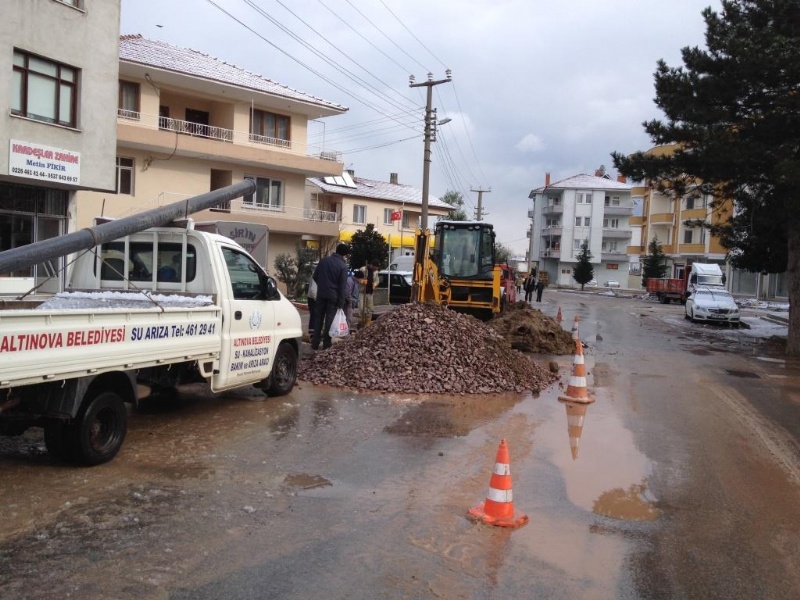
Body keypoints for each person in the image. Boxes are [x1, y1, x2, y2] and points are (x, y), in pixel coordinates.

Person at [311, 243, 350, 350]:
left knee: (318, 318)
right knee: (329, 320)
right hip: (334, 296)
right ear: (345, 255)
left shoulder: (324, 261)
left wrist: (323, 286)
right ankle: (326, 344)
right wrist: (341, 302)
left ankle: (315, 343)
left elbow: (315, 276)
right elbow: (342, 286)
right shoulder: (342, 266)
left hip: (321, 294)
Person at [360, 259, 380, 325]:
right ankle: (362, 320)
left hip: (370, 292)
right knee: (361, 307)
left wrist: (374, 284)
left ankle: (368, 321)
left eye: (377, 268)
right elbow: (356, 278)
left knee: (370, 308)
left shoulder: (376, 272)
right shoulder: (363, 269)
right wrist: (362, 281)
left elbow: (377, 280)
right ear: (371, 265)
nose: (376, 269)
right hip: (362, 292)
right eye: (375, 267)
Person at [306, 275, 318, 341]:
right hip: (312, 299)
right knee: (314, 315)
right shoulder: (316, 277)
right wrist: (317, 299)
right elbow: (313, 290)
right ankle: (312, 334)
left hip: (312, 297)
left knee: (314, 315)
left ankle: (313, 332)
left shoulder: (317, 275)